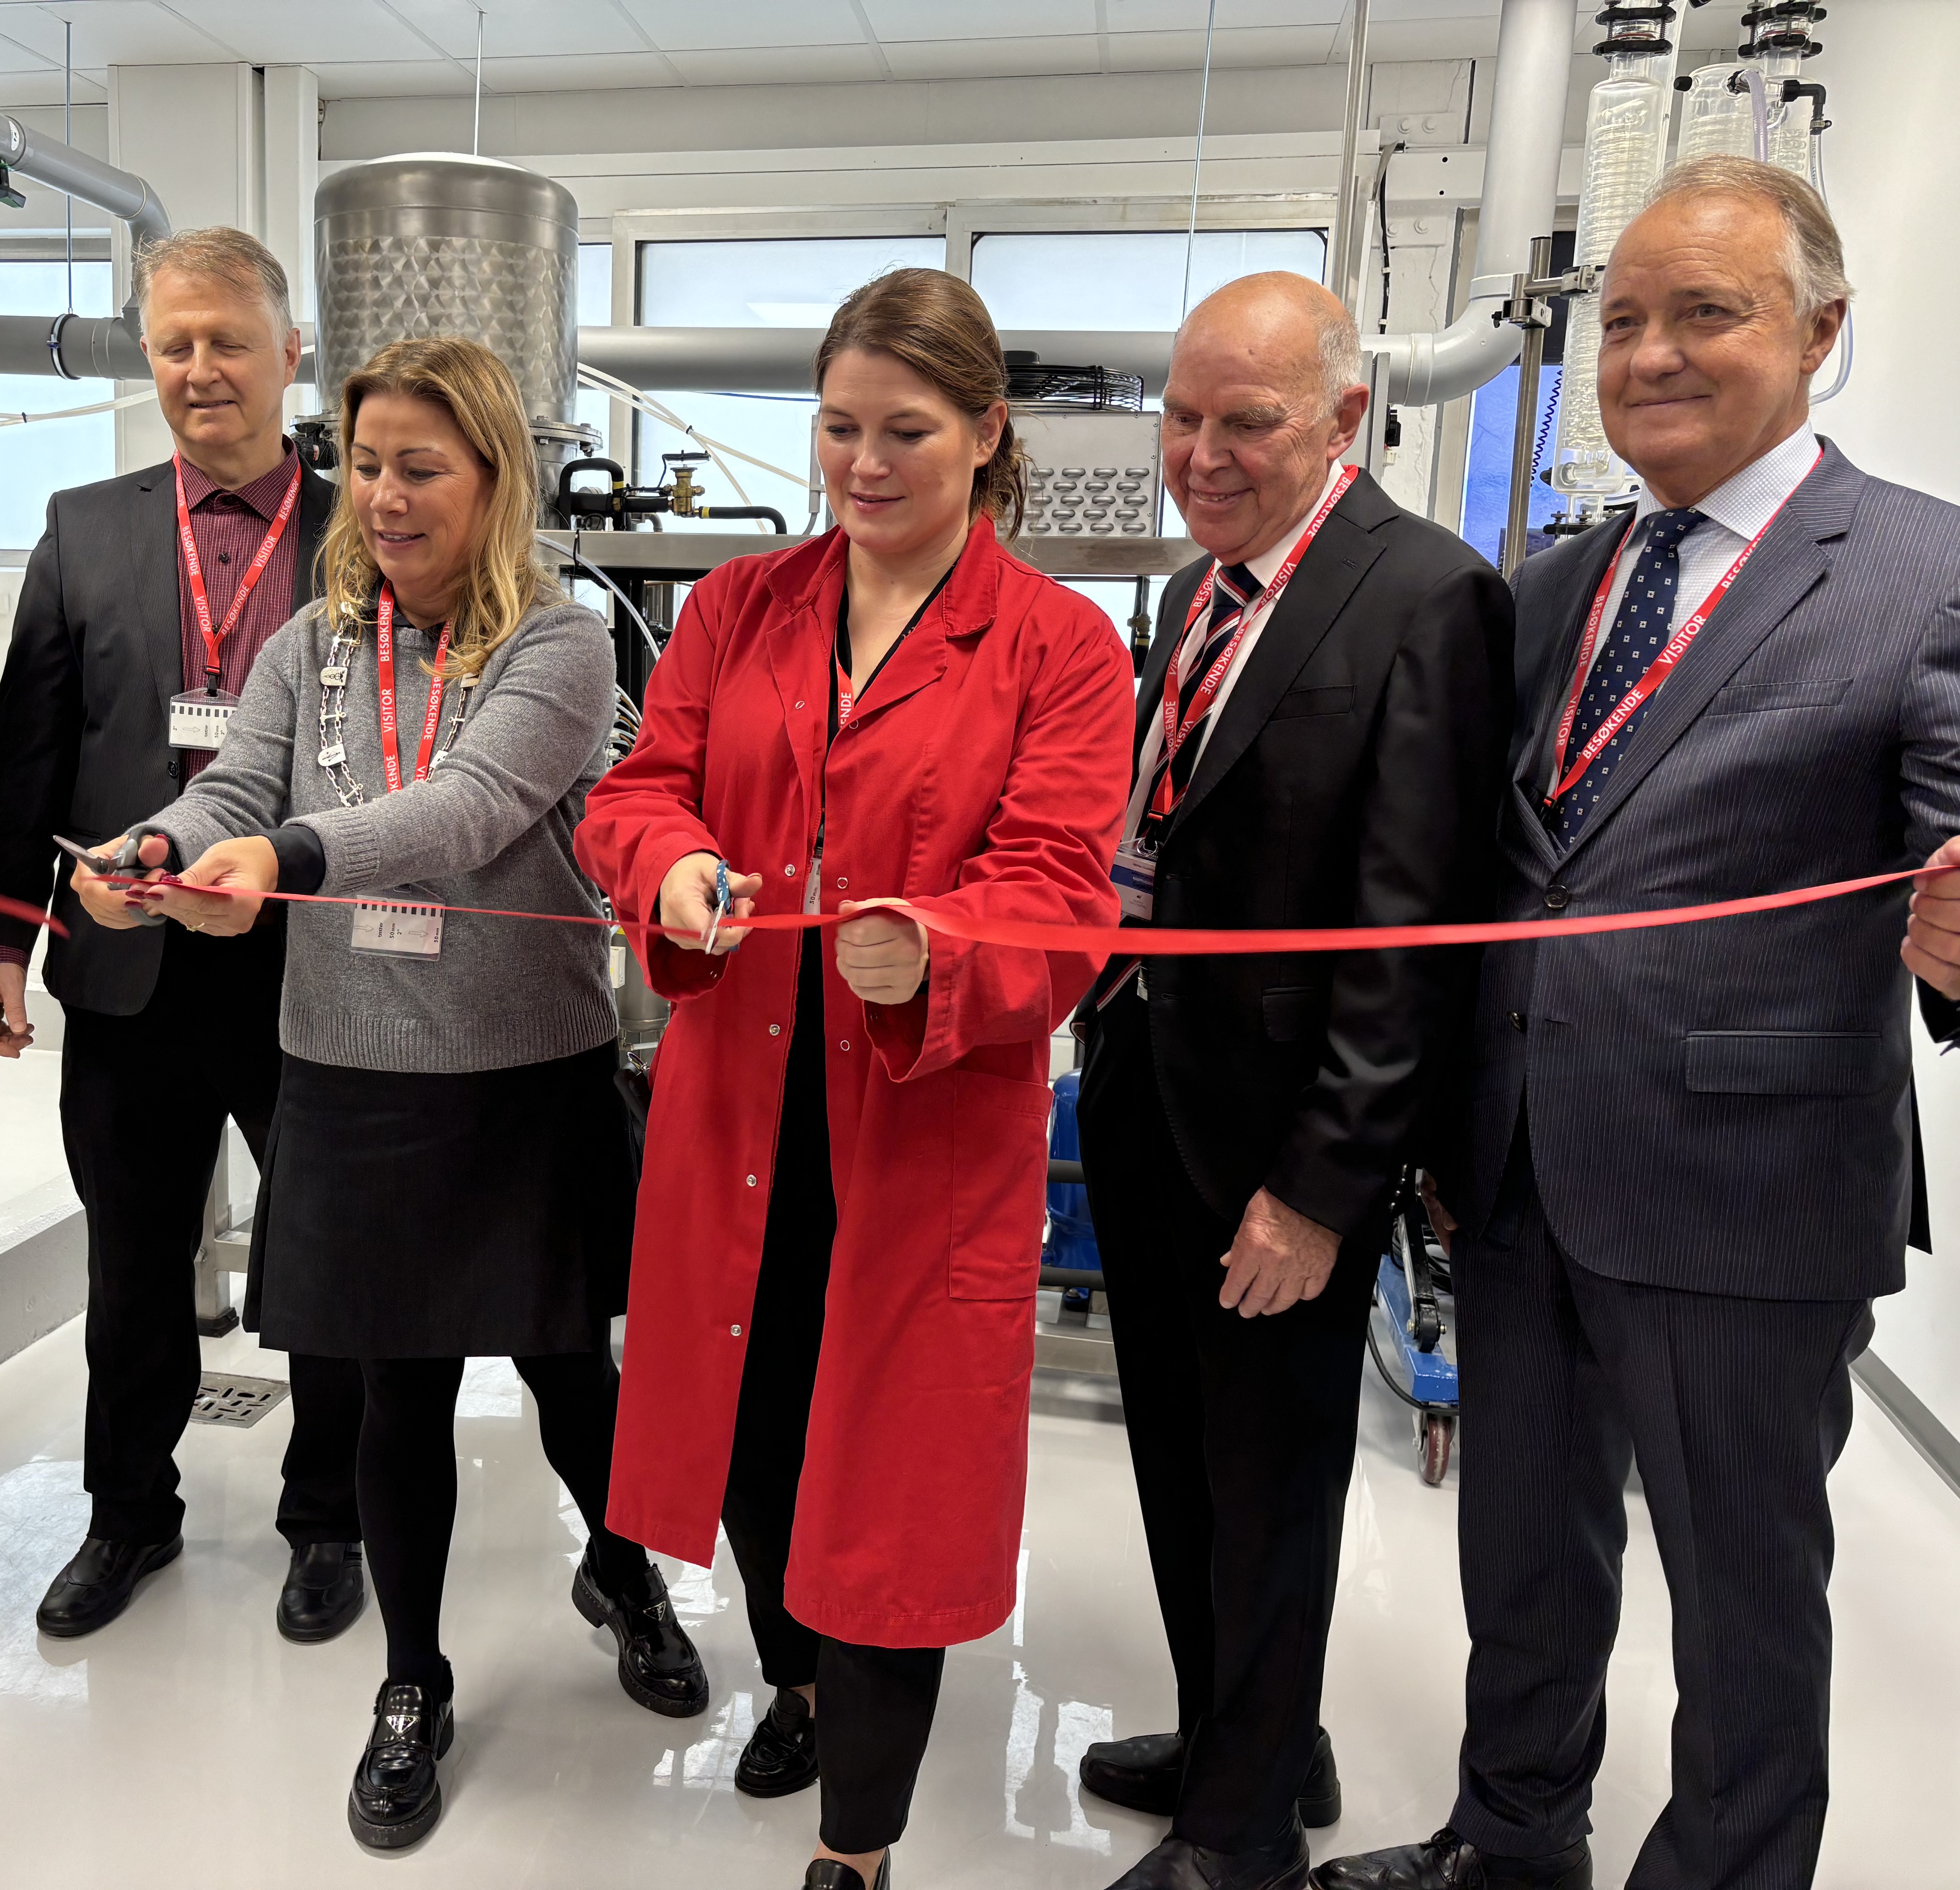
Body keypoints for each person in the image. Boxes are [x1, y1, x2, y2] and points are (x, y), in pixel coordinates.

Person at [1313, 159, 1960, 1890]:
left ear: (1822, 329)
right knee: (1527, 1566)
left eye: (1707, 313)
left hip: (1746, 1197)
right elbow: (1501, 878)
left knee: (1743, 1607)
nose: (1651, 355)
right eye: (1622, 322)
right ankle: (1511, 1846)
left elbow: (1954, 860)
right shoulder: (1544, 589)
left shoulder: (1922, 573)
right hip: (1521, 1184)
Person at [69, 333, 705, 1851]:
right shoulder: (306, 644)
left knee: (570, 1371)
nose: (387, 495)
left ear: (494, 477)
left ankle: (621, 1566)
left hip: (519, 1075)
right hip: (350, 1072)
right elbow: (236, 787)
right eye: (367, 463)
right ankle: (412, 1679)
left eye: (422, 465)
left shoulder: (559, 644)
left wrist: (285, 859)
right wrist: (163, 850)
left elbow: (471, 808)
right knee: (395, 1392)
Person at [575, 267, 1133, 1890]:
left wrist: (939, 954)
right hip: (741, 1111)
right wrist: (671, 862)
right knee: (750, 1430)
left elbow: (1061, 893)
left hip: (922, 1118)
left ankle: (859, 1846)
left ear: (986, 432)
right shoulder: (744, 606)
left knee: (885, 1477)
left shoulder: (1059, 646)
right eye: (837, 427)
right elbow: (644, 787)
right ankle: (799, 1680)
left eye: (906, 431)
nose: (865, 463)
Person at [1069, 273, 1513, 1890]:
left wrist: (1326, 1189)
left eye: (1242, 420)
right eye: (1182, 415)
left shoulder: (1429, 596)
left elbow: (1416, 940)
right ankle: (1249, 1735)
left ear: (1343, 420)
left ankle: (1240, 1835)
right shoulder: (1202, 600)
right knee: (1181, 1465)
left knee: (1267, 1488)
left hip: (1279, 1156)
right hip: (1148, 1095)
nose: (1199, 451)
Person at [0, 227, 366, 1645]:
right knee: (131, 1262)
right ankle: (129, 1510)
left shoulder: (368, 528)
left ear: (289, 354)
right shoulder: (83, 528)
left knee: (322, 1256)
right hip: (125, 968)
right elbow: (31, 752)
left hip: (312, 969)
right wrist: (0, 938)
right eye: (175, 343)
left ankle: (331, 1516)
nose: (201, 370)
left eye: (229, 342)